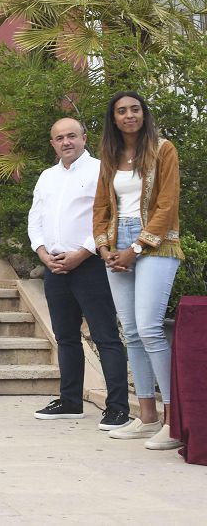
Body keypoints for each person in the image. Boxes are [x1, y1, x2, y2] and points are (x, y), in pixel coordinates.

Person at [28, 118, 130, 430]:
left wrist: (83, 253)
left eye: (72, 136)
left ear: (84, 138)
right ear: (53, 143)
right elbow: (36, 218)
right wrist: (43, 253)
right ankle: (70, 400)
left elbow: (108, 216)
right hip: (54, 267)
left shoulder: (101, 169)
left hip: (90, 264)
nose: (66, 142)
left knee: (105, 336)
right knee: (66, 337)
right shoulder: (47, 177)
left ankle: (117, 408)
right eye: (59, 138)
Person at [94, 92, 183, 449]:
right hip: (117, 245)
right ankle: (146, 416)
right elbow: (101, 206)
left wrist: (134, 249)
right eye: (121, 111)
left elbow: (166, 204)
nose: (129, 115)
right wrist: (104, 249)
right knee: (130, 331)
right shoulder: (110, 155)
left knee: (149, 328)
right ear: (113, 119)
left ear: (144, 114)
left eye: (135, 109)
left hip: (156, 244)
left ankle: (172, 421)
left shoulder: (164, 149)